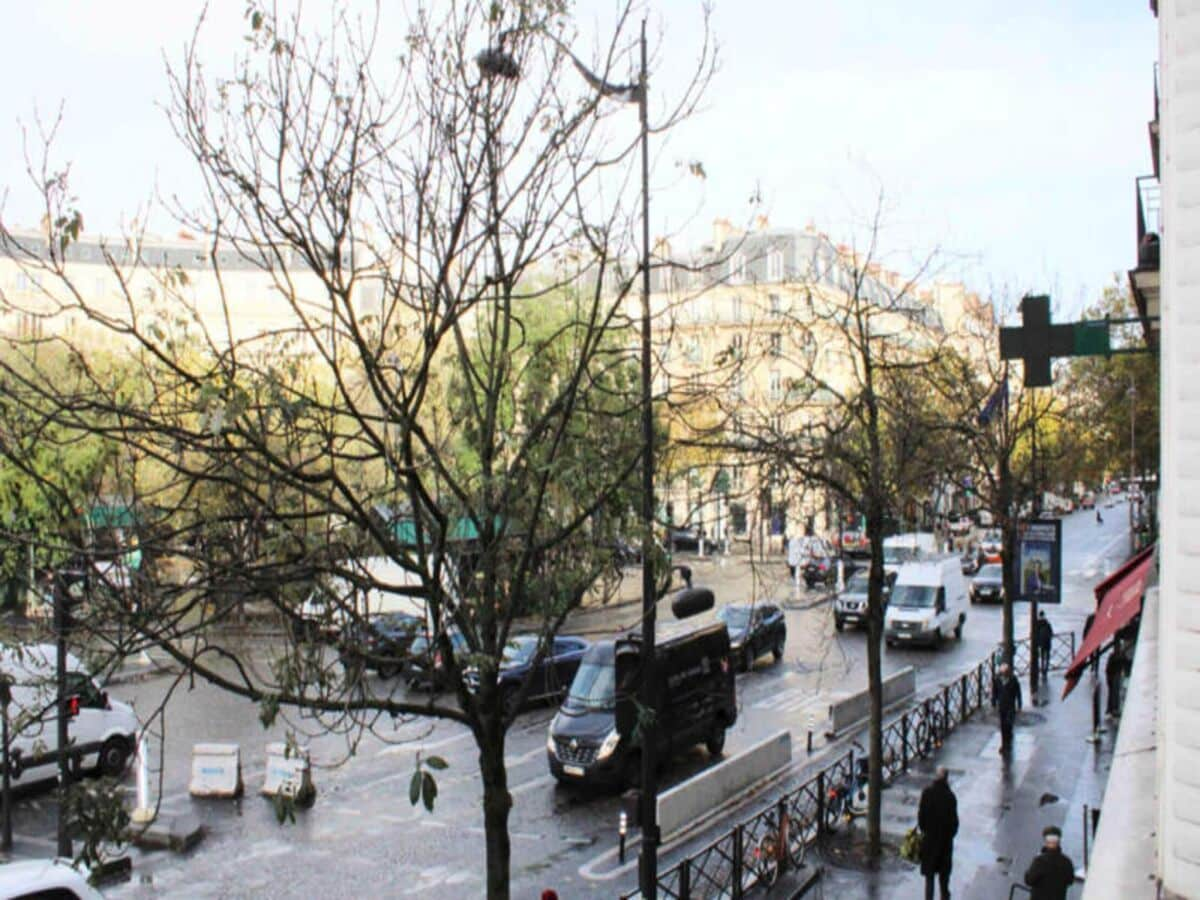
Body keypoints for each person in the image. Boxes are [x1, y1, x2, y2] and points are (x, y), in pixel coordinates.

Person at [918, 767, 959, 900]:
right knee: (944, 877)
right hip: (945, 843)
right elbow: (954, 823)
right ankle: (944, 896)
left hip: (930, 841)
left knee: (929, 877)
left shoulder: (927, 793)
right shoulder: (950, 797)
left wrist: (925, 831)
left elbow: (921, 819)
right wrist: (949, 835)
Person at [1023, 825, 1076, 900]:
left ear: (1046, 841)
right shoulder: (1067, 862)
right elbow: (1070, 880)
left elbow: (1029, 880)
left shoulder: (1040, 861)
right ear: (1059, 841)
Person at [993, 662, 1023, 755]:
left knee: (1008, 725)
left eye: (1006, 672)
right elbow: (995, 692)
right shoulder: (997, 680)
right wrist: (993, 702)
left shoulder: (1013, 680)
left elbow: (1018, 693)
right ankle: (1004, 744)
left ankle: (1008, 743)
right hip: (1002, 706)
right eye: (1003, 672)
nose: (1004, 674)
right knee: (1003, 726)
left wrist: (1019, 704)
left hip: (1010, 706)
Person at [1105, 645, 1126, 718]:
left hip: (1112, 676)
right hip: (1113, 676)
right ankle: (1112, 709)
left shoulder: (1114, 656)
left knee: (1112, 693)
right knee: (1113, 693)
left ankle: (1111, 709)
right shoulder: (1116, 657)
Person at [1035, 611, 1054, 683]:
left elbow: (1034, 633)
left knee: (1042, 656)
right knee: (1047, 656)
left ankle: (1042, 669)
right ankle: (1046, 669)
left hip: (1040, 643)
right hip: (1048, 642)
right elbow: (1051, 633)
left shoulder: (1037, 623)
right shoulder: (1047, 623)